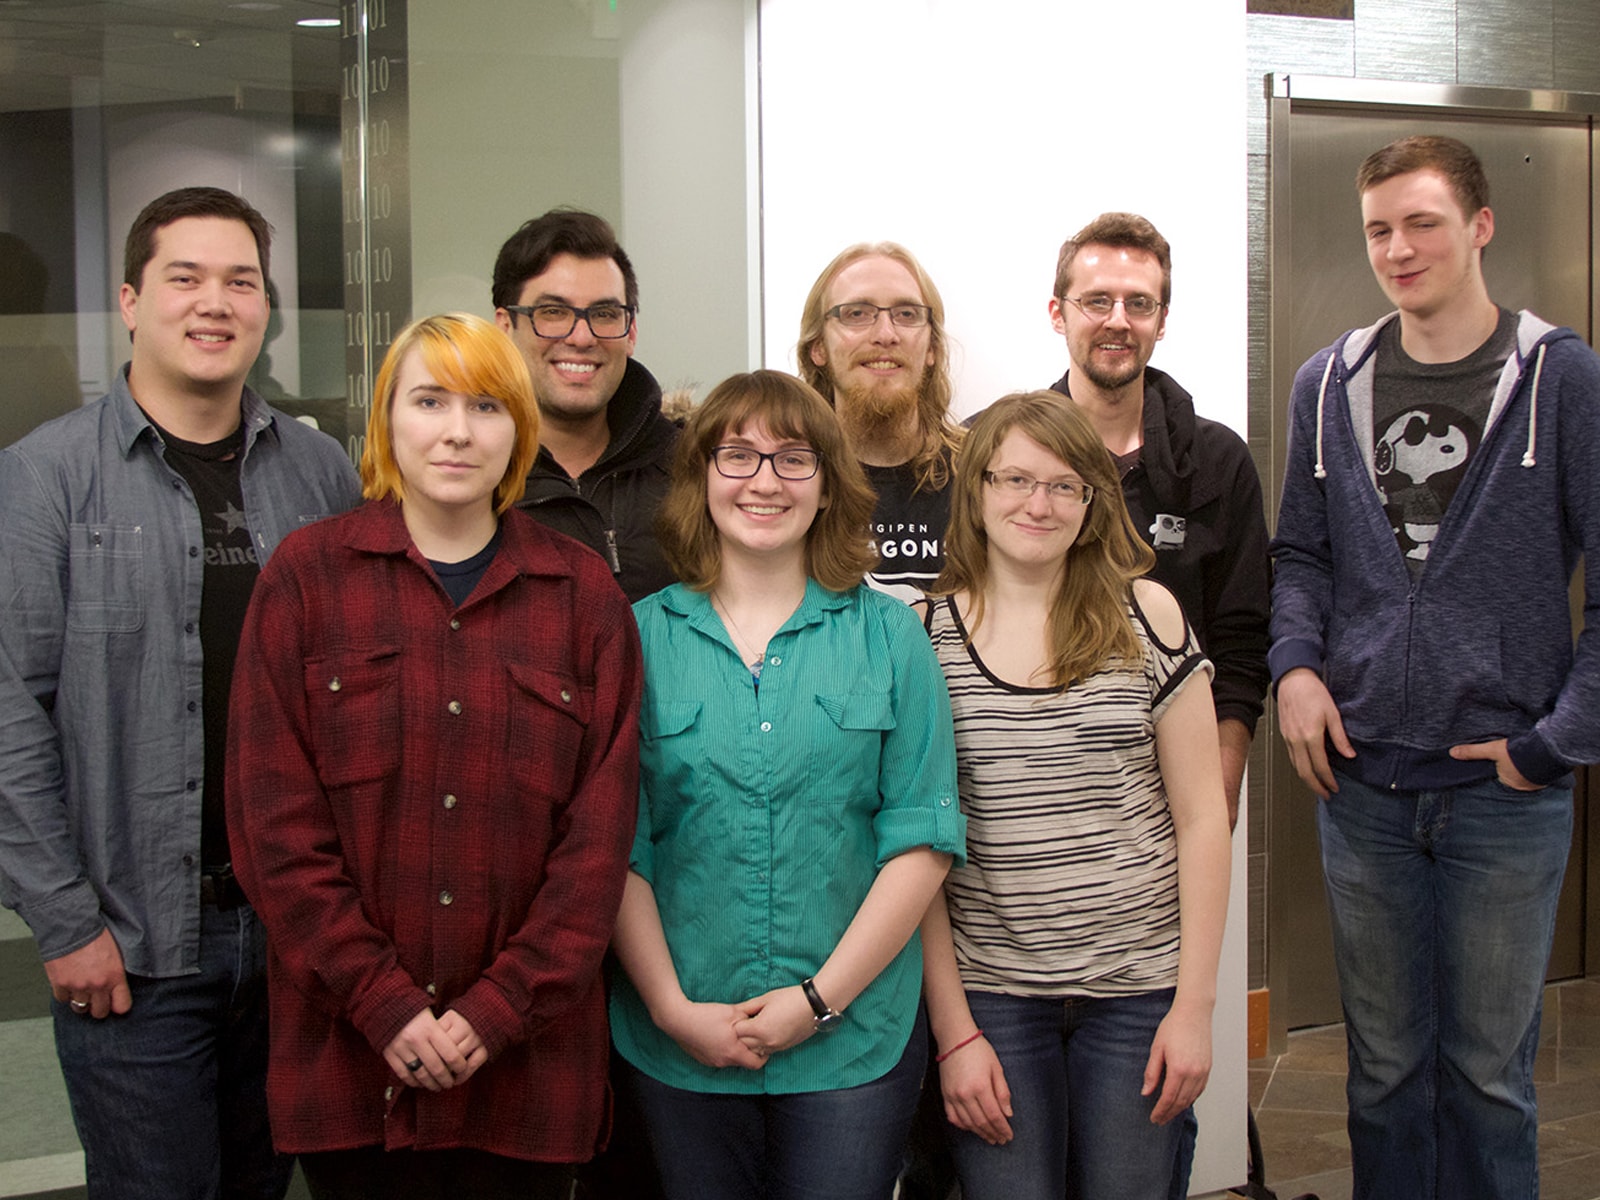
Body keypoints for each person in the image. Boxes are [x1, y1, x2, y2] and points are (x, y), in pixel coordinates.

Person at [225, 312, 642, 1199]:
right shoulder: (304, 582)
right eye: (430, 400)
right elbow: (275, 834)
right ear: (386, 423)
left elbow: (597, 849)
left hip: (530, 1075)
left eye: (488, 405)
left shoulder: (583, 598)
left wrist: (495, 1012)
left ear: (519, 431)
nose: (458, 429)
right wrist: (384, 1003)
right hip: (351, 1067)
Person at [0, 186, 360, 1200]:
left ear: (266, 305)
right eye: (185, 278)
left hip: (295, 934)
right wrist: (64, 923)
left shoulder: (321, 472)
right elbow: (7, 714)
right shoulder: (45, 479)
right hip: (136, 944)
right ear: (129, 299)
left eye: (240, 280)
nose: (215, 302)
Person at [1271, 135, 1600, 1200]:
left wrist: (1550, 747)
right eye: (1378, 229)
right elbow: (1300, 556)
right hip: (1362, 786)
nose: (1398, 249)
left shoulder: (1563, 380)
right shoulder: (1329, 384)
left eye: (1422, 224)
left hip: (1503, 796)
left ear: (1479, 226)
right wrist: (1294, 670)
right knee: (1381, 1074)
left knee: (1488, 1078)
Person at [610, 369, 966, 1200]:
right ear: (701, 477)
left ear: (829, 486)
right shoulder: (636, 639)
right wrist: (668, 1006)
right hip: (679, 1038)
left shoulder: (891, 636)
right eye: (738, 455)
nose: (764, 480)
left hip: (850, 1043)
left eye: (793, 459)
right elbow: (616, 845)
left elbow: (921, 840)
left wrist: (816, 1001)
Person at [919, 391, 1231, 1200]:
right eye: (1015, 479)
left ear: (1092, 503)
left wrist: (1194, 1009)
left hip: (1137, 994)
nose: (1038, 503)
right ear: (977, 491)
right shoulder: (922, 635)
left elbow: (1202, 820)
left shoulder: (1149, 615)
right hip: (992, 998)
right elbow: (918, 848)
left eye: (1064, 485)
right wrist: (953, 1035)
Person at [1046, 212, 1268, 831]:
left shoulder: (1219, 464)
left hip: (1174, 797)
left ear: (1161, 322)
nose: (1118, 319)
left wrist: (1218, 794)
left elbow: (1243, 644)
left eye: (1138, 303)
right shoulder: (1003, 455)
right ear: (1058, 313)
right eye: (1096, 301)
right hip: (1033, 786)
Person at [493, 208, 678, 602]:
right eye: (553, 312)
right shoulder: (464, 478)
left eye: (605, 314)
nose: (581, 337)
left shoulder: (695, 472)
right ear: (505, 327)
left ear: (631, 333)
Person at [798, 242, 964, 599]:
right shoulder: (787, 479)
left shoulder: (982, 478)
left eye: (907, 314)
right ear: (818, 348)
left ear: (932, 348)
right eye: (856, 313)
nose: (886, 334)